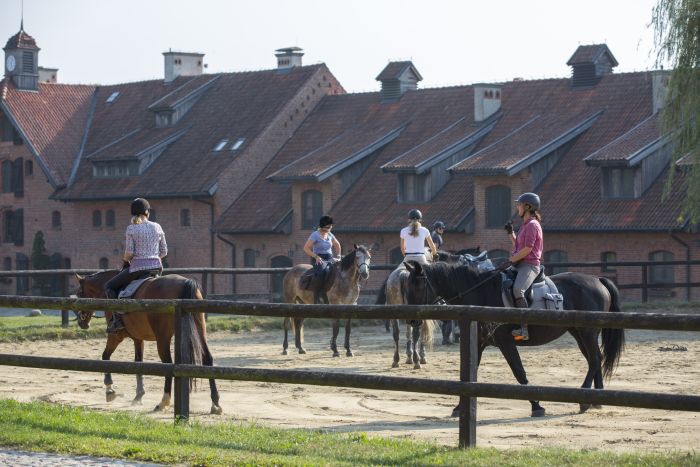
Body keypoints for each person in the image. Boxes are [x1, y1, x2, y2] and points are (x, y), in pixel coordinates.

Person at [104, 198, 168, 333]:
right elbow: (164, 252)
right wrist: (153, 258)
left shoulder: (132, 228)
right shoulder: (157, 226)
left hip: (138, 269)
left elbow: (129, 253)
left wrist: (126, 260)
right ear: (146, 212)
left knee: (109, 286)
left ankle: (116, 319)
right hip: (156, 267)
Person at [504, 192, 543, 341]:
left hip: (530, 265)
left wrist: (511, 260)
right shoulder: (525, 225)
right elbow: (519, 246)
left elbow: (527, 249)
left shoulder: (533, 225)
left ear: (527, 207)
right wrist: (511, 233)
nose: (517, 207)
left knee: (517, 290)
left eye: (519, 204)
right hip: (520, 264)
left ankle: (524, 329)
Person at [303, 215, 341, 304]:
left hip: (330, 258)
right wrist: (315, 256)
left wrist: (338, 256)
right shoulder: (315, 235)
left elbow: (337, 245)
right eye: (329, 226)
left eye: (331, 226)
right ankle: (317, 298)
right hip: (319, 258)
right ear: (324, 225)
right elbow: (306, 248)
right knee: (320, 274)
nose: (331, 227)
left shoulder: (330, 234)